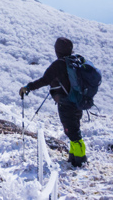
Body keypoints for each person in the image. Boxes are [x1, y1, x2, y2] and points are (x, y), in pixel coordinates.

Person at [19, 37, 87, 168]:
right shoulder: (76, 61)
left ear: (58, 51)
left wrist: (28, 87)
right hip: (78, 102)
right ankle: (74, 158)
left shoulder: (58, 65)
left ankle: (80, 160)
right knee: (73, 130)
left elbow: (44, 80)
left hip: (66, 103)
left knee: (72, 132)